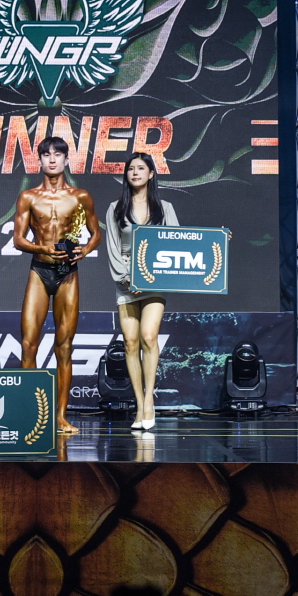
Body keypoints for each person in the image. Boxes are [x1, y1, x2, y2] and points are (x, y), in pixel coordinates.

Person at [13, 136, 103, 434]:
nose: (52, 160)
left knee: (64, 346)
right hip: (39, 271)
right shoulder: (28, 197)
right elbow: (18, 240)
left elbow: (96, 232)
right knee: (29, 344)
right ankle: (29, 414)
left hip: (68, 274)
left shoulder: (80, 197)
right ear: (39, 160)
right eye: (46, 155)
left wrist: (85, 250)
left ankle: (61, 417)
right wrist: (43, 248)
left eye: (58, 154)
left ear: (66, 159)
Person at [105, 152, 178, 430]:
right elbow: (113, 247)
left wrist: (214, 240)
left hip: (155, 281)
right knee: (130, 342)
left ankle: (149, 403)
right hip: (126, 281)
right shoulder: (115, 208)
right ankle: (139, 404)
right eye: (131, 169)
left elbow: (180, 242)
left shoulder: (165, 208)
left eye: (141, 168)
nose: (135, 173)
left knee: (149, 336)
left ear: (151, 174)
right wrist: (125, 279)